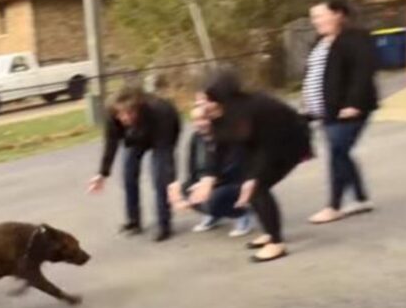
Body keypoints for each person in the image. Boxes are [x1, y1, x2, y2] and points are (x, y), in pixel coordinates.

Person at [190, 70, 312, 262]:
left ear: (220, 98)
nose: (199, 104)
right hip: (257, 146)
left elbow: (268, 147)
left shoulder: (255, 108)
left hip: (287, 143)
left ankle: (277, 244)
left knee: (256, 187)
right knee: (251, 184)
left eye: (204, 99)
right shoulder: (217, 114)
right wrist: (208, 178)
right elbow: (217, 147)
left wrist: (255, 176)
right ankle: (271, 233)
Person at [303, 0, 378, 224]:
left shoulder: (356, 38)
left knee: (337, 151)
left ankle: (334, 206)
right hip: (326, 110)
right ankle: (361, 198)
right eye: (313, 17)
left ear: (337, 14)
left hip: (350, 109)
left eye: (320, 16)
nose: (315, 21)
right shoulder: (320, 41)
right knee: (341, 151)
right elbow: (315, 74)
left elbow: (363, 72)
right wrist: (309, 104)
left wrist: (353, 103)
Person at [88, 85, 182, 242]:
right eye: (120, 114)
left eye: (129, 113)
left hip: (162, 134)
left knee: (160, 178)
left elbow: (166, 150)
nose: (124, 118)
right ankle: (134, 221)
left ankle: (164, 225)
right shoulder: (113, 114)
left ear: (138, 108)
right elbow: (111, 143)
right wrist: (102, 173)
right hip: (136, 137)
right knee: (128, 174)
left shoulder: (160, 110)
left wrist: (170, 178)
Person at [168, 98, 253, 238]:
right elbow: (192, 166)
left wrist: (209, 184)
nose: (199, 124)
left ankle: (241, 213)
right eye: (195, 120)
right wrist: (192, 184)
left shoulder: (226, 137)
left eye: (203, 119)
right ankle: (214, 214)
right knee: (185, 190)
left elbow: (234, 168)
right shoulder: (196, 138)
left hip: (233, 182)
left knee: (213, 198)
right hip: (206, 182)